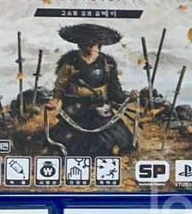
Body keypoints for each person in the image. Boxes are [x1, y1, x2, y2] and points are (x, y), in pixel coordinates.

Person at [48, 23, 136, 155]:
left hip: (100, 108)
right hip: (76, 108)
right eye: (86, 43)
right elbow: (60, 86)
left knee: (116, 141)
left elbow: (115, 91)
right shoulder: (70, 62)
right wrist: (55, 101)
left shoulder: (107, 63)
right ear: (80, 44)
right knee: (68, 143)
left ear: (99, 44)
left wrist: (129, 97)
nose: (90, 46)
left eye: (93, 43)